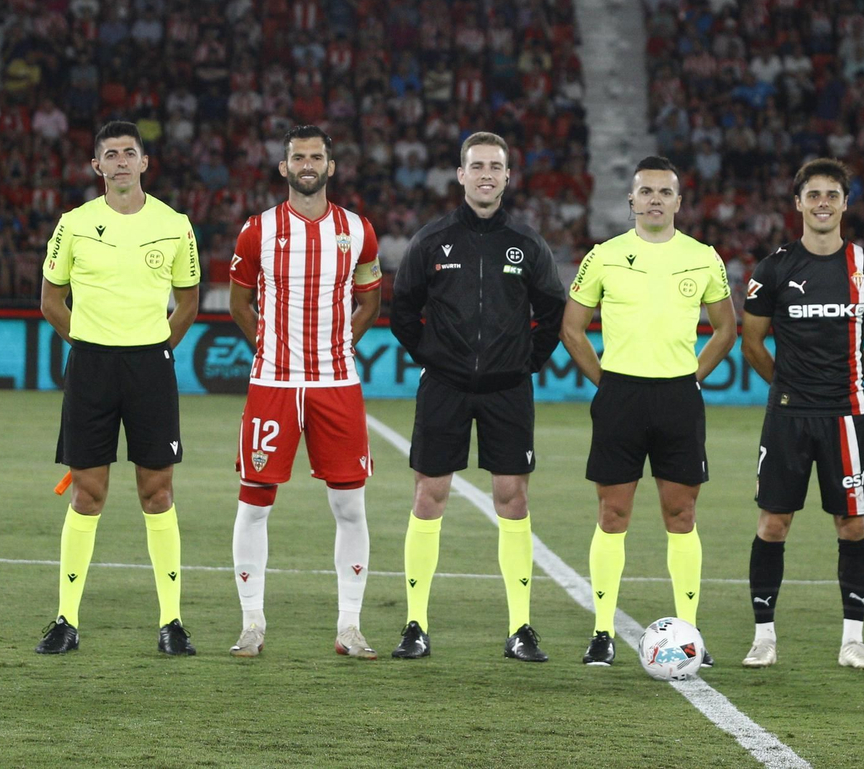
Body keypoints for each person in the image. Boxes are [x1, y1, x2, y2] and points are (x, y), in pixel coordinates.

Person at [388, 131, 567, 662]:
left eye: (496, 166)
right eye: (477, 166)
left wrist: (525, 362)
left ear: (508, 177)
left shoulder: (528, 243)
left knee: (513, 498)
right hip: (444, 387)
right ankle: (415, 624)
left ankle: (521, 628)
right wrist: (435, 357)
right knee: (429, 496)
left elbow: (553, 312)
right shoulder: (433, 240)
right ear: (461, 175)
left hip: (508, 390)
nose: (486, 174)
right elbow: (402, 310)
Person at [560, 155, 737, 666]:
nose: (655, 199)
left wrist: (692, 377)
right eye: (646, 192)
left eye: (665, 192)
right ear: (631, 200)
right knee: (612, 514)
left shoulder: (704, 257)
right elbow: (572, 328)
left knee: (681, 515)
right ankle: (602, 632)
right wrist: (606, 382)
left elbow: (726, 327)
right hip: (621, 397)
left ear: (679, 201)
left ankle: (690, 634)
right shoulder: (604, 256)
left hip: (678, 398)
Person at [35, 121, 202, 656]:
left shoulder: (175, 225)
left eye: (131, 152)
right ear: (97, 166)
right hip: (91, 369)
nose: (122, 161)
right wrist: (85, 344)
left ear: (145, 162)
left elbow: (189, 300)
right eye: (112, 154)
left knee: (158, 492)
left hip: (150, 369)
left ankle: (171, 623)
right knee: (89, 492)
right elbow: (50, 300)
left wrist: (158, 349)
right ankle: (65, 620)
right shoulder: (74, 224)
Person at [227, 125, 383, 660]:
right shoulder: (257, 231)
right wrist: (270, 348)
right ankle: (252, 624)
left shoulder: (359, 231)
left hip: (337, 384)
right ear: (284, 167)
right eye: (299, 157)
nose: (308, 164)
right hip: (272, 383)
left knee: (350, 507)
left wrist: (339, 344)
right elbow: (239, 304)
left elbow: (370, 301)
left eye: (317, 156)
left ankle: (350, 627)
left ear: (331, 167)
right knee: (255, 503)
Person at [739, 158, 864, 671]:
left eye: (832, 195)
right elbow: (753, 342)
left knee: (852, 526)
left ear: (846, 204)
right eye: (814, 195)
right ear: (799, 203)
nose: (823, 203)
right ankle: (764, 638)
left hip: (847, 414)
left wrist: (846, 382)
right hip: (788, 416)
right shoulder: (775, 268)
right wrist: (786, 386)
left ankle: (854, 640)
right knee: (773, 523)